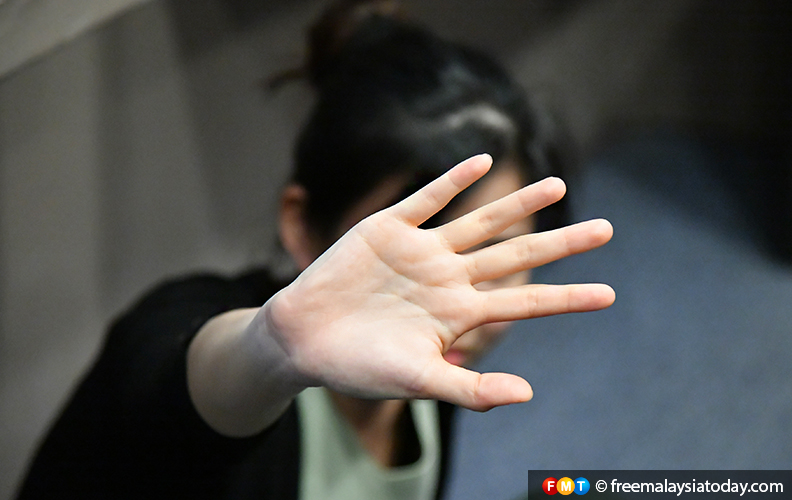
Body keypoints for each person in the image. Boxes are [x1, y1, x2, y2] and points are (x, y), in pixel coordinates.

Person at [16, 1, 614, 499]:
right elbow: (176, 395)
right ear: (302, 224)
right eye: (420, 250)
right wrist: (269, 353)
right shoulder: (188, 322)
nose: (457, 300)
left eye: (494, 254)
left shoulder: (432, 364)